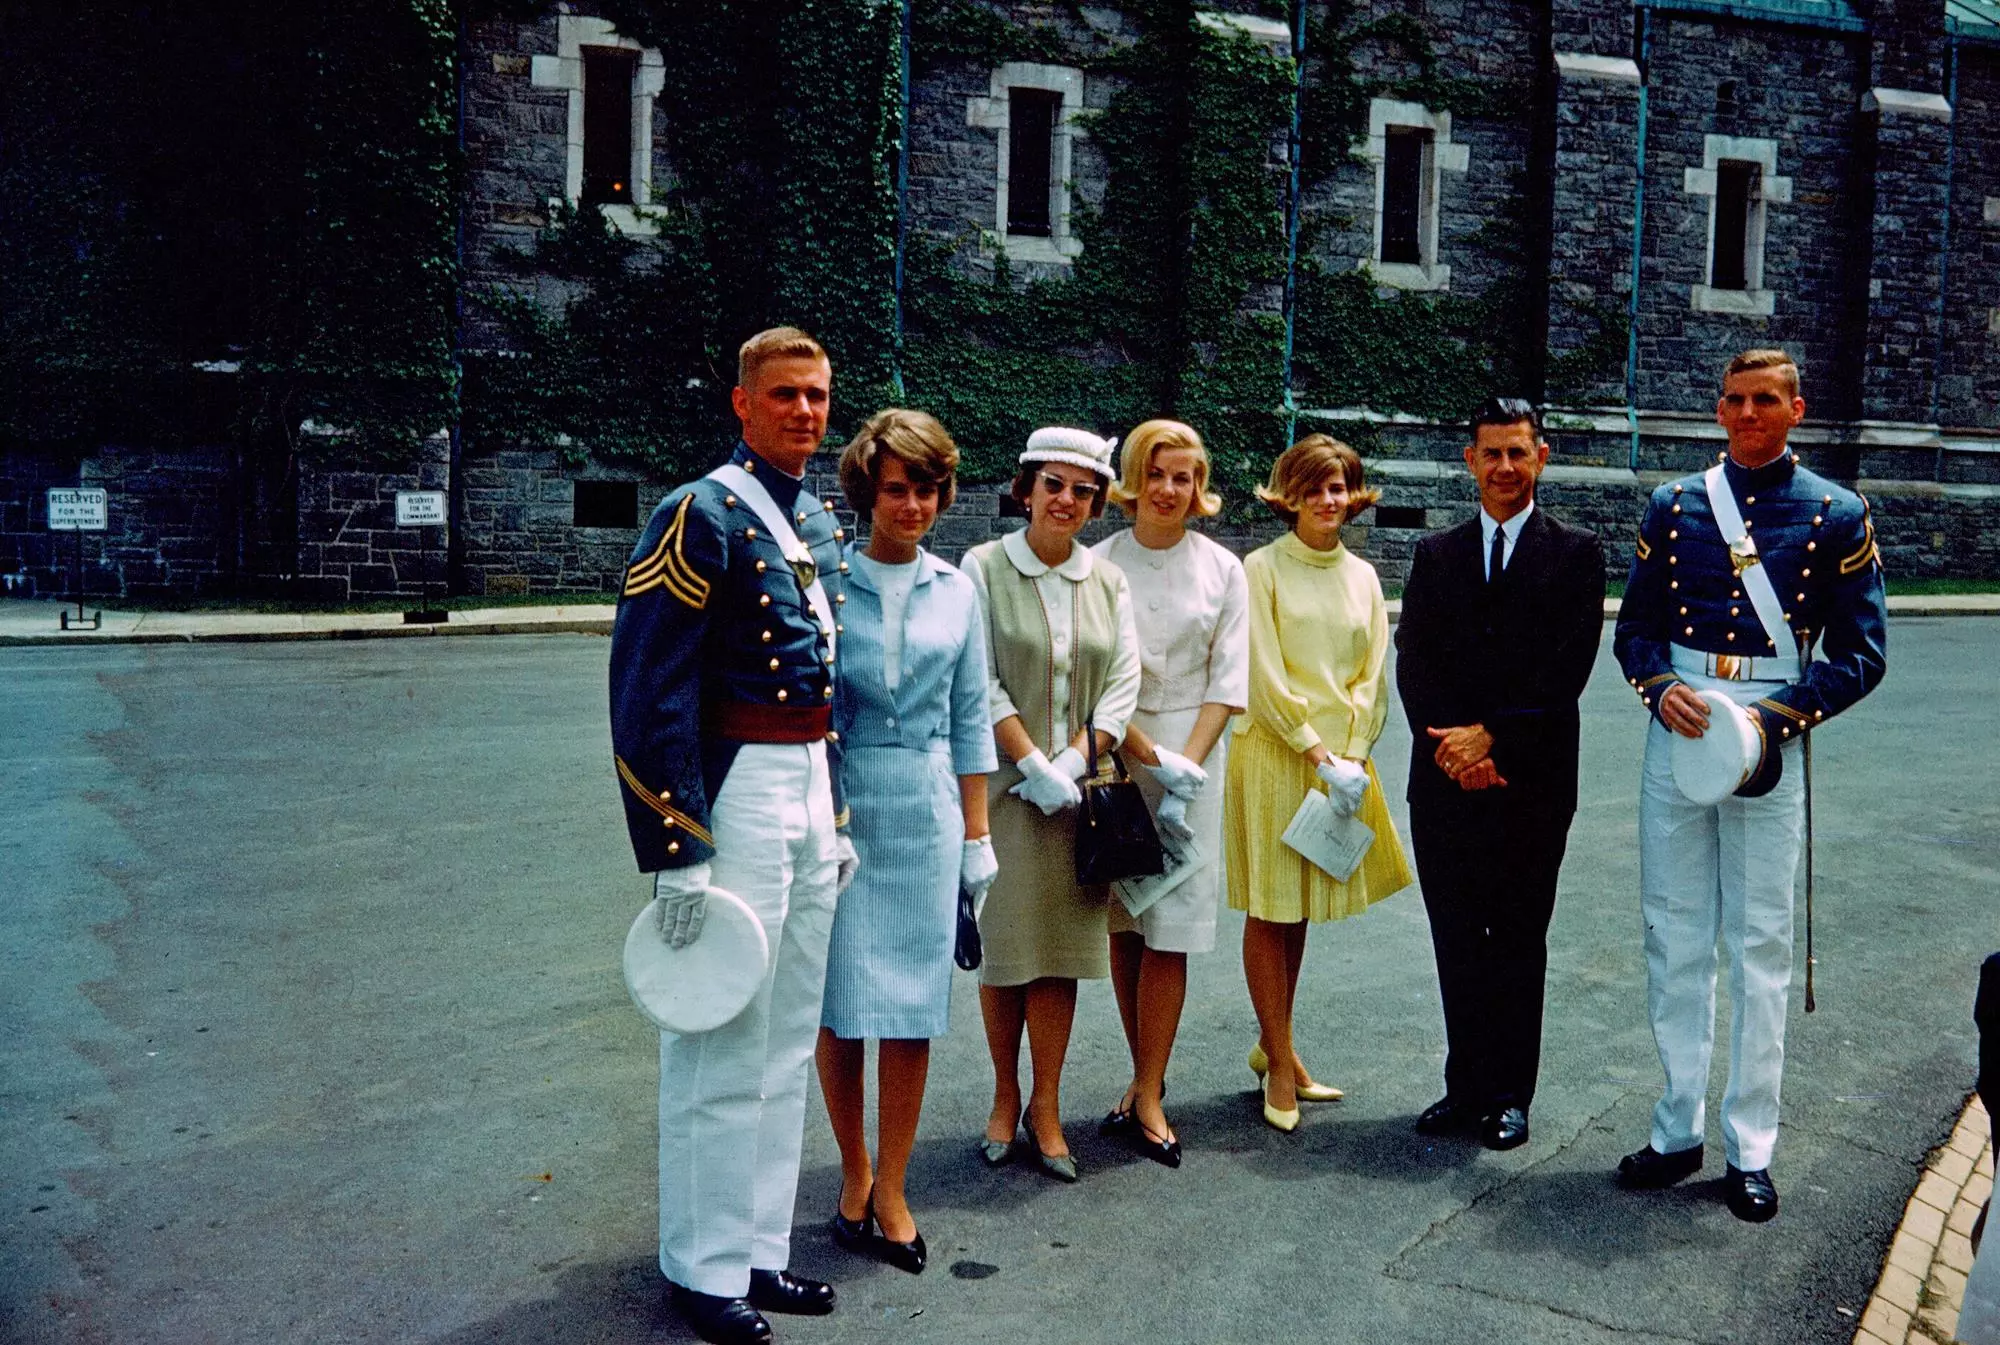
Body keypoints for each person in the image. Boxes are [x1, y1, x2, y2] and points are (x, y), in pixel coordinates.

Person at [608, 326, 860, 1345]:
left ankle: (759, 1247)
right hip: (739, 783)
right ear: (741, 403)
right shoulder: (697, 513)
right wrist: (676, 847)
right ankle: (700, 1266)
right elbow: (647, 690)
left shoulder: (816, 520)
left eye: (817, 395)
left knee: (787, 1033)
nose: (805, 411)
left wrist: (833, 809)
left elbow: (829, 686)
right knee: (720, 1026)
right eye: (786, 394)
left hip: (804, 777)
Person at [1613, 348, 1887, 1223]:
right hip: (1683, 723)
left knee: (1760, 948)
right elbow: (1637, 630)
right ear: (1719, 408)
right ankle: (1675, 1128)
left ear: (1796, 408)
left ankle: (1751, 1145)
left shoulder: (1837, 513)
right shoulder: (1677, 504)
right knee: (1674, 933)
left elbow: (1861, 655)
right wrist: (1660, 689)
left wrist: (1777, 717)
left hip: (1771, 724)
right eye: (1734, 400)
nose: (1747, 414)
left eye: (1765, 399)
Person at [1395, 397, 1606, 1152]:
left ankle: (1510, 1093)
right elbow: (1415, 664)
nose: (1506, 468)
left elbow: (1566, 670)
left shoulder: (1577, 553)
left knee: (1516, 936)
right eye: (1493, 453)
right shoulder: (1437, 554)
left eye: (1519, 453)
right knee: (1455, 935)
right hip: (1444, 783)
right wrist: (1456, 748)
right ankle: (1466, 1085)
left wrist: (1495, 742)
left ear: (1540, 457)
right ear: (1470, 461)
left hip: (1533, 784)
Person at [816, 409, 996, 1275]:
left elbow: (969, 721)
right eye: (898, 489)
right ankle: (852, 1168)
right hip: (845, 807)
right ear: (867, 491)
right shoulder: (828, 582)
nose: (915, 505)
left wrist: (979, 837)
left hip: (927, 811)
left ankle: (895, 1183)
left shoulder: (959, 589)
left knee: (913, 1009)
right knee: (842, 1004)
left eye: (928, 489)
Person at [961, 427, 1142, 1182]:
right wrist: (1031, 760)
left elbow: (1124, 681)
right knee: (1007, 954)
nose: (1066, 501)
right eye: (1053, 485)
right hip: (1003, 788)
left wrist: (1072, 761)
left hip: (1078, 797)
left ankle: (1047, 1102)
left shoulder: (1107, 580)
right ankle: (1004, 1096)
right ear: (1026, 488)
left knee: (1060, 957)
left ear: (1096, 502)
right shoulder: (983, 567)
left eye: (1082, 490)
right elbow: (978, 676)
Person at [1225, 434, 1413, 1132]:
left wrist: (1354, 753)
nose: (1327, 500)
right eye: (1312, 488)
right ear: (1289, 495)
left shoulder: (1364, 576)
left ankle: (1278, 1039)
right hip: (1278, 754)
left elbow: (1373, 673)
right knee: (1270, 907)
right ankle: (1278, 1061)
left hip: (1343, 764)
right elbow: (1261, 671)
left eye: (1338, 487)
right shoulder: (1260, 568)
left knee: (1299, 906)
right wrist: (1313, 751)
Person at [1089, 419, 1248, 1167]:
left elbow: (1228, 677)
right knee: (1125, 918)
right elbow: (1095, 679)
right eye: (1156, 473)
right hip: (1119, 756)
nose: (1169, 489)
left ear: (1199, 485)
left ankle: (1150, 1091)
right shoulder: (1101, 563)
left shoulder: (1223, 568)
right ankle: (1138, 1072)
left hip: (1196, 755)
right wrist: (1141, 752)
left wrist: (1187, 766)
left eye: (1184, 476)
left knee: (1173, 926)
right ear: (1132, 478)